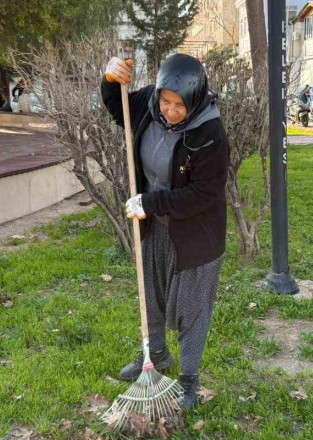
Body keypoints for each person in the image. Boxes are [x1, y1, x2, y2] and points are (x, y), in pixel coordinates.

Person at [101, 54, 229, 409]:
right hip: (154, 222)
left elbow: (205, 194)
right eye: (165, 102)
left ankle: (188, 381)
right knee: (151, 292)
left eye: (179, 106)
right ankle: (156, 355)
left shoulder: (210, 133)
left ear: (196, 100)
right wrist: (110, 78)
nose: (170, 111)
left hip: (196, 233)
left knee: (191, 308)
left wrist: (152, 203)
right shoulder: (148, 104)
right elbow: (117, 107)